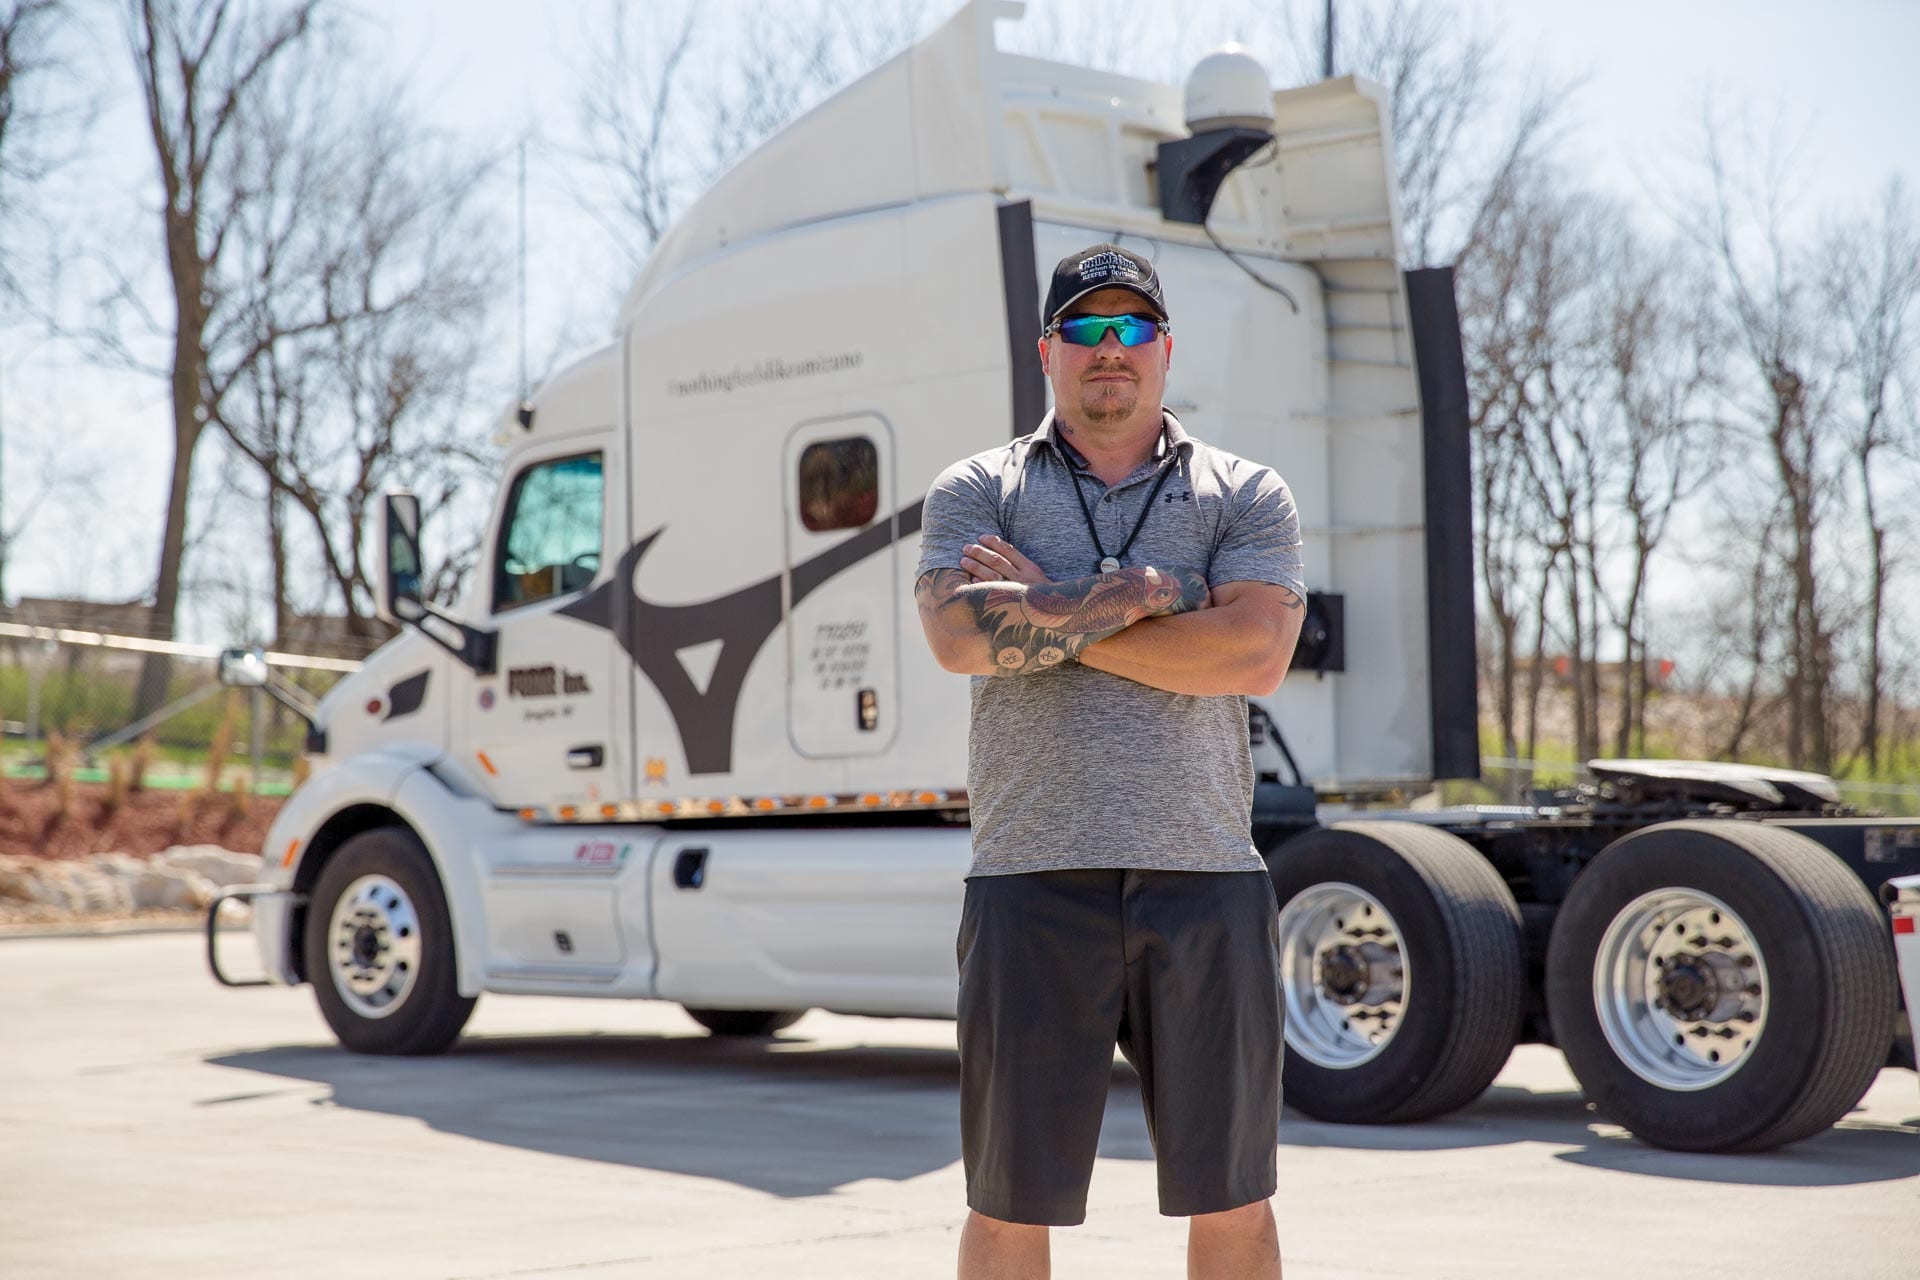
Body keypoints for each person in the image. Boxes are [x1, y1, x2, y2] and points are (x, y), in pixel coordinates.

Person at [915, 242, 1308, 1280]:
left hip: (1207, 875)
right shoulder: (976, 488)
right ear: (1048, 351)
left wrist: (1052, 602)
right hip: (1028, 876)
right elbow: (959, 639)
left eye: (1132, 328)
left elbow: (1256, 655)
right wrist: (1153, 594)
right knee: (1007, 1206)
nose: (1110, 351)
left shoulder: (1244, 492)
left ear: (1165, 350)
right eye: (1086, 330)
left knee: (1238, 1201)